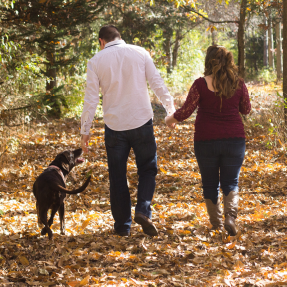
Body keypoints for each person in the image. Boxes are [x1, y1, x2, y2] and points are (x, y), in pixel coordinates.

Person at [80, 25, 175, 237]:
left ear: (101, 41)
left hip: (115, 128)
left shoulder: (95, 62)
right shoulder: (140, 53)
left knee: (117, 176)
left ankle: (123, 227)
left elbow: (91, 99)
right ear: (119, 37)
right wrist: (171, 110)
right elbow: (157, 83)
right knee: (148, 169)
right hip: (141, 122)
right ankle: (143, 209)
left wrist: (85, 130)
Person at [165, 45, 251, 236]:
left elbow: (186, 111)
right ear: (229, 61)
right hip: (234, 140)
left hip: (206, 140)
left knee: (210, 183)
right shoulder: (238, 83)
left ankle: (216, 224)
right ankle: (230, 217)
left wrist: (169, 119)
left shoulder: (200, 84)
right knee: (231, 182)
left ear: (208, 61)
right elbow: (246, 109)